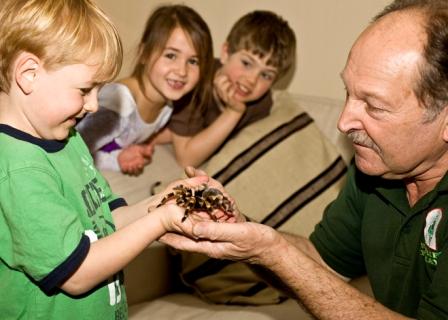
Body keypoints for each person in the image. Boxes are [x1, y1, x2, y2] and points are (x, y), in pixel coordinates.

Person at [161, 0, 448, 318]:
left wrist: (275, 251)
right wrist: (249, 233)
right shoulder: (376, 170)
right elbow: (320, 261)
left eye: (375, 106)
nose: (343, 122)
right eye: (348, 93)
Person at [0, 1, 231, 319]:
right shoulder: (19, 169)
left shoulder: (67, 138)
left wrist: (168, 200)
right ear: (29, 74)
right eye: (85, 90)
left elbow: (108, 218)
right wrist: (160, 222)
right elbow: (76, 273)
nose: (94, 105)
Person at [76, 4, 214, 175]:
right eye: (171, 55)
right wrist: (114, 160)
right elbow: (73, 153)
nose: (182, 71)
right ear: (144, 54)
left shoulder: (166, 107)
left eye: (193, 61)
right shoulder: (119, 105)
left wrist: (122, 156)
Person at [165, 10, 296, 167]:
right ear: (226, 53)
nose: (252, 80)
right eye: (247, 63)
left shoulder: (261, 105)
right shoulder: (196, 80)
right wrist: (233, 112)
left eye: (266, 75)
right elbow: (187, 159)